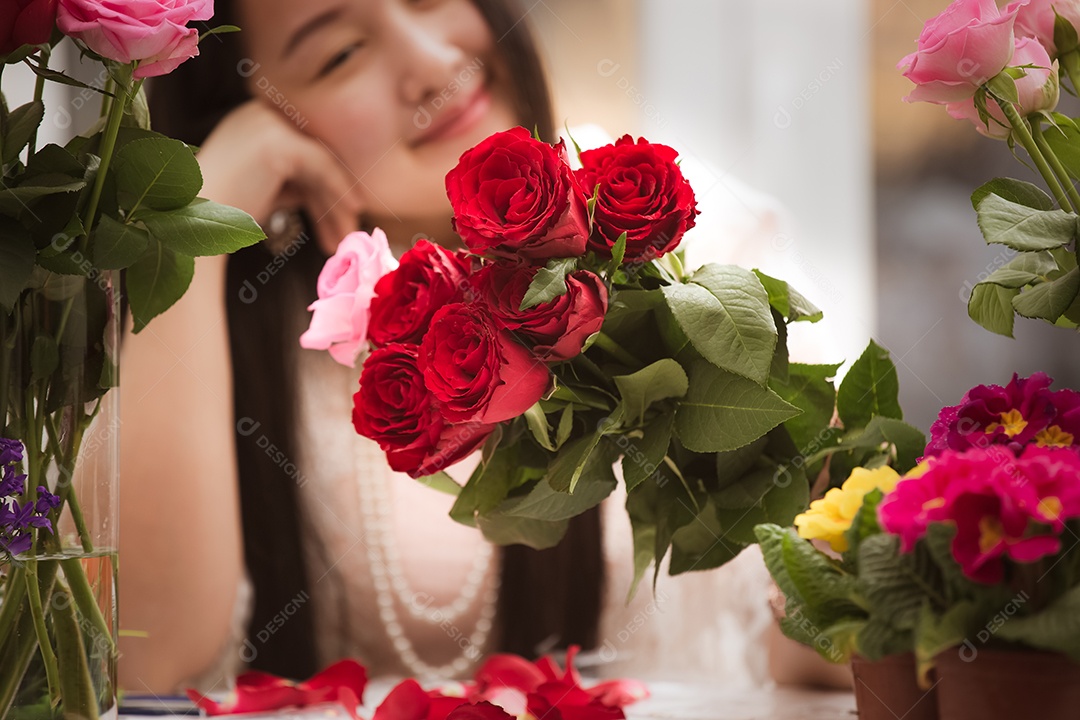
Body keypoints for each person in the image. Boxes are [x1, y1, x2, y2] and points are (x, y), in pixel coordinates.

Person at [121, 0, 849, 694]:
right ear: (257, 103)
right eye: (341, 52)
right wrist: (210, 205)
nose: (433, 64)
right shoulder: (242, 334)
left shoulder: (696, 259)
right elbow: (147, 661)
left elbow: (837, 653)